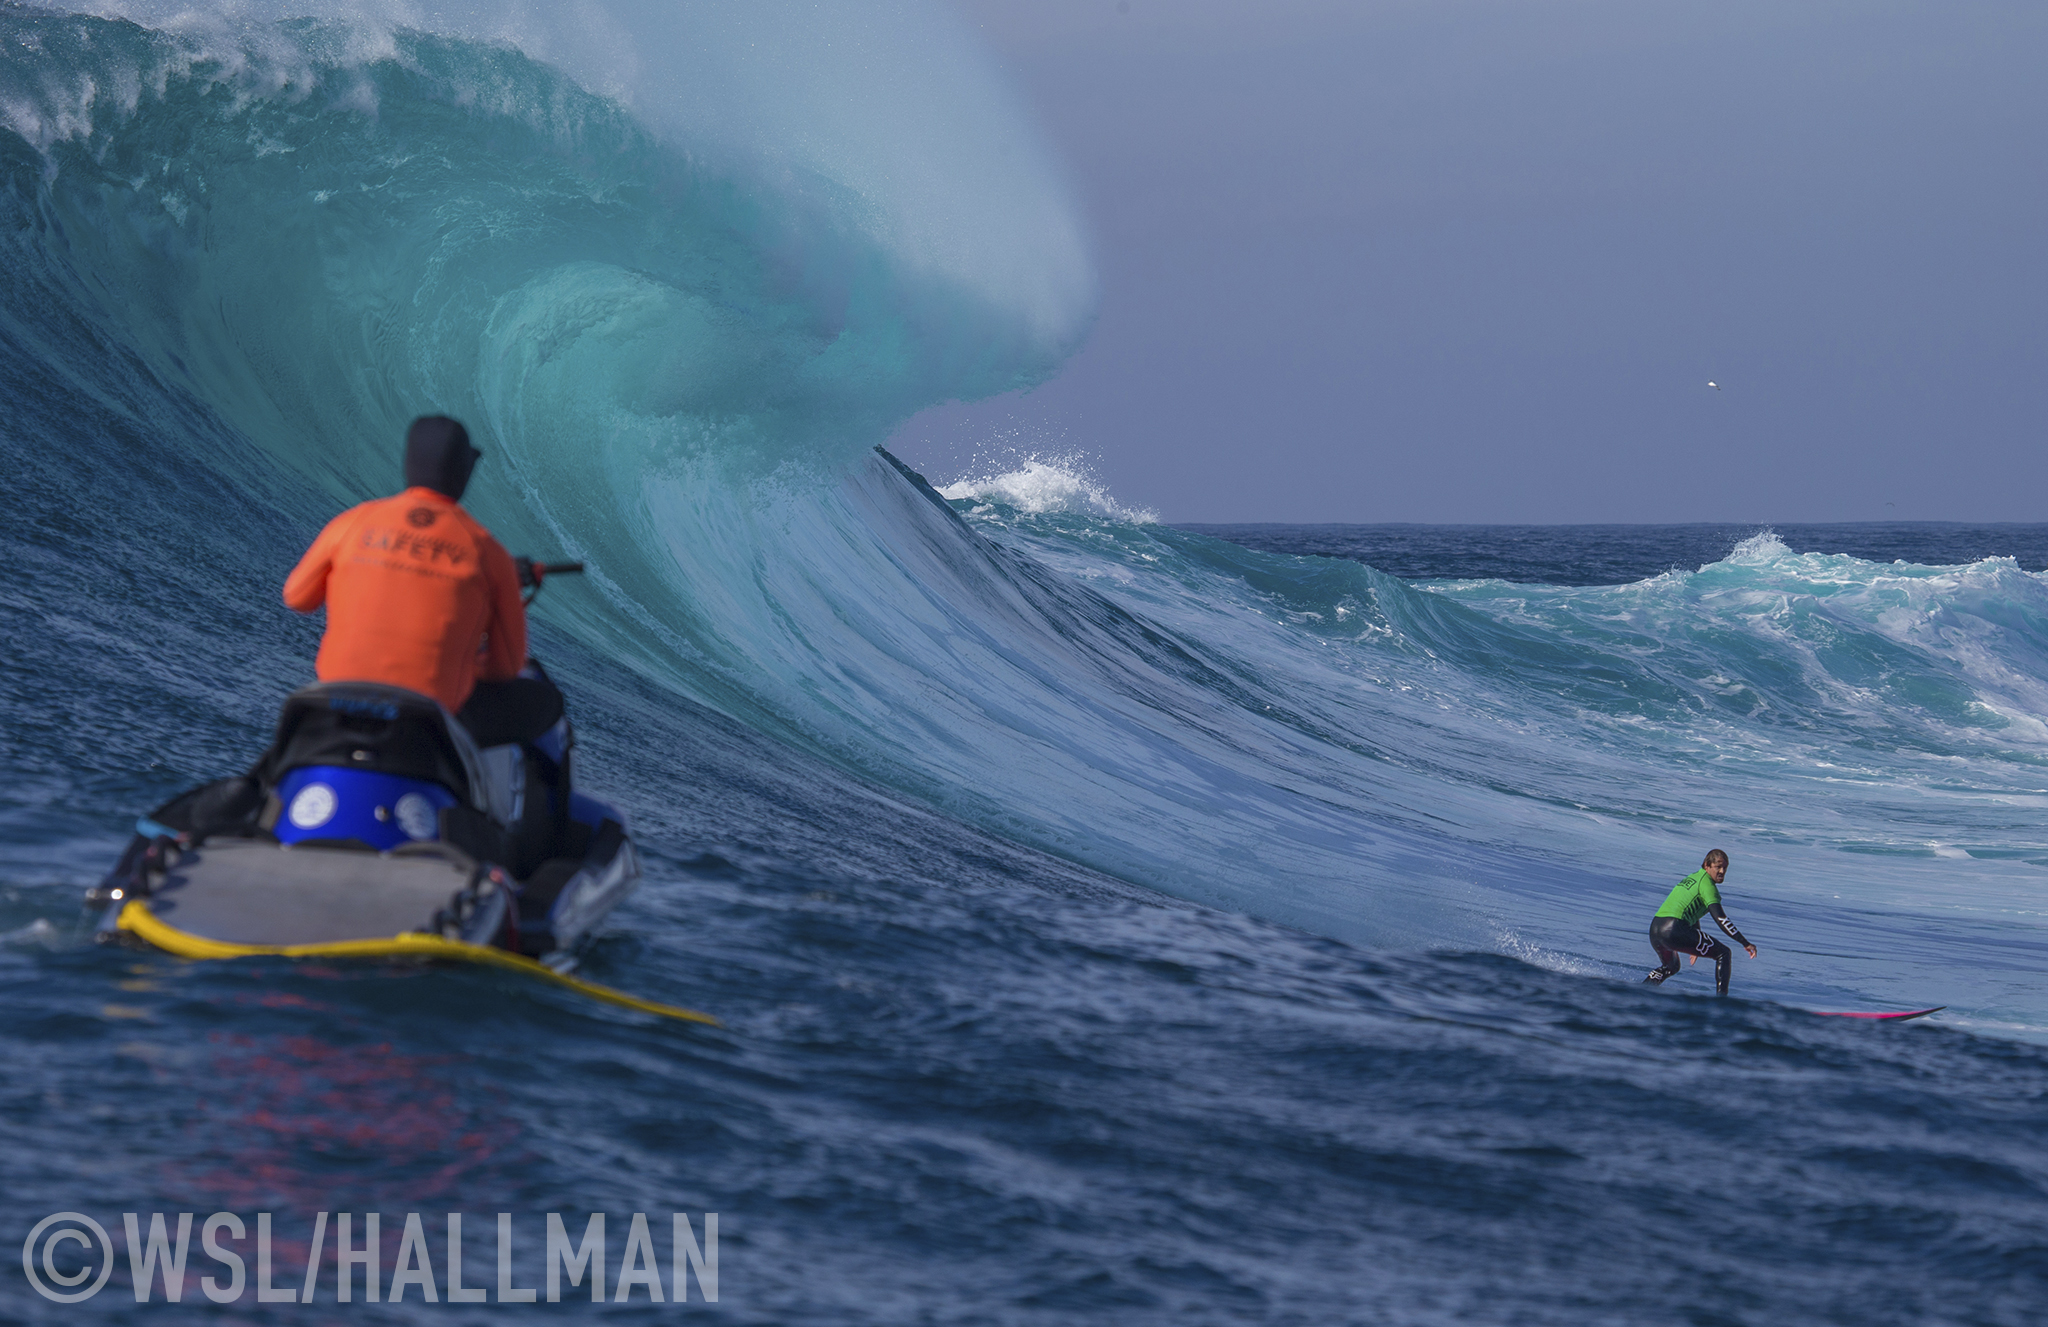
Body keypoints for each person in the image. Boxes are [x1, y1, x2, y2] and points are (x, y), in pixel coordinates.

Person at [282, 415, 562, 747]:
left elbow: (297, 597)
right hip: (424, 717)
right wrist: (464, 661)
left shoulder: (353, 522)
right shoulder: (488, 552)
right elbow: (506, 667)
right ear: (464, 473)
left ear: (409, 462)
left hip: (335, 697)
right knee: (546, 700)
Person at [1642, 849, 1758, 997]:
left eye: (1725, 868)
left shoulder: (1693, 878)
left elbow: (1690, 912)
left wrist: (1694, 942)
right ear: (1706, 866)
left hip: (1655, 929)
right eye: (1718, 867)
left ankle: (1642, 989)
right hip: (1674, 929)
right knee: (1723, 953)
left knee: (1671, 966)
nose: (1722, 871)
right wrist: (1744, 942)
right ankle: (1722, 1001)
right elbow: (1721, 919)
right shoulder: (1708, 885)